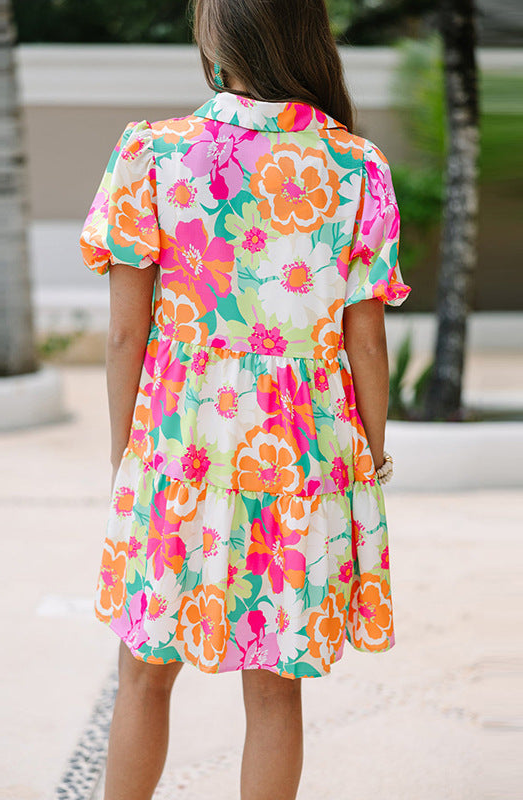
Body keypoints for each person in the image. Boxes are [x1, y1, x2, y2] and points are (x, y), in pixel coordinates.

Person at [78, 1, 411, 797]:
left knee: (143, 670)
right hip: (300, 454)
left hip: (177, 442)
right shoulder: (357, 166)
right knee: (274, 684)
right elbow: (367, 343)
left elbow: (127, 336)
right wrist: (370, 454)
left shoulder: (152, 155)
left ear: (215, 41)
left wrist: (126, 459)